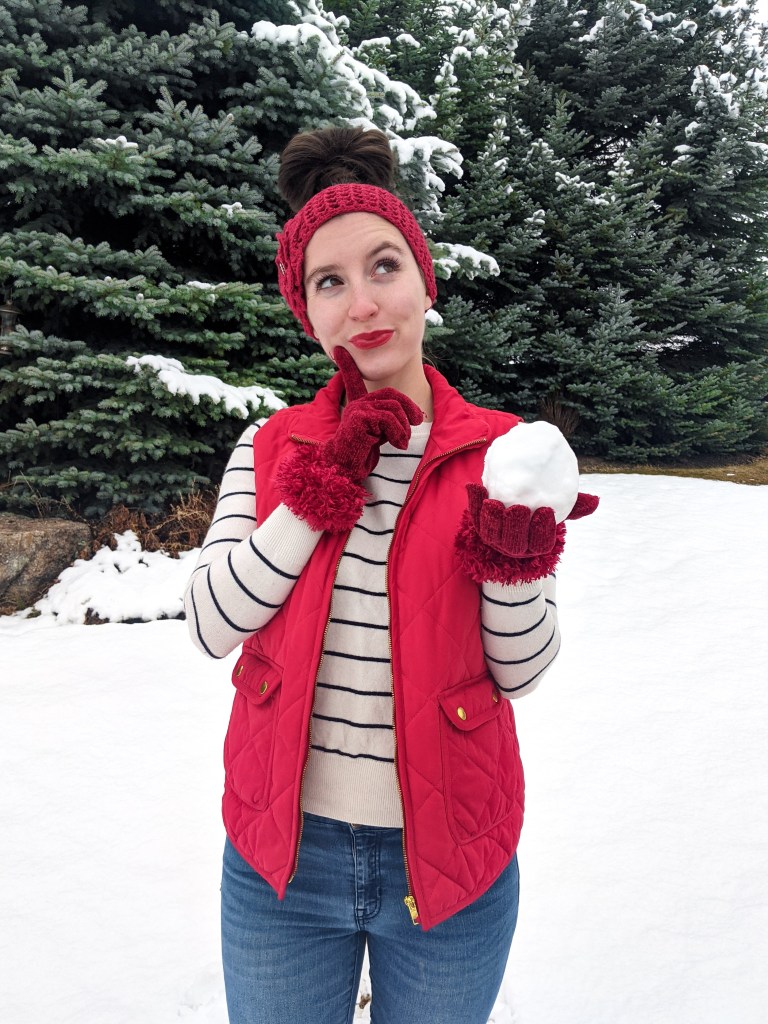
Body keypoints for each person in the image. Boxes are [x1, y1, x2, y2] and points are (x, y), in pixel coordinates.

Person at [184, 125, 598, 1024]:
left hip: (450, 861)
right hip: (281, 861)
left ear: (422, 281)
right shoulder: (272, 446)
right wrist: (312, 493)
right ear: (308, 310)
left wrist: (519, 561)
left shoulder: (502, 452)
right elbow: (211, 621)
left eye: (383, 267)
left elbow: (520, 671)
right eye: (330, 282)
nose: (363, 301)